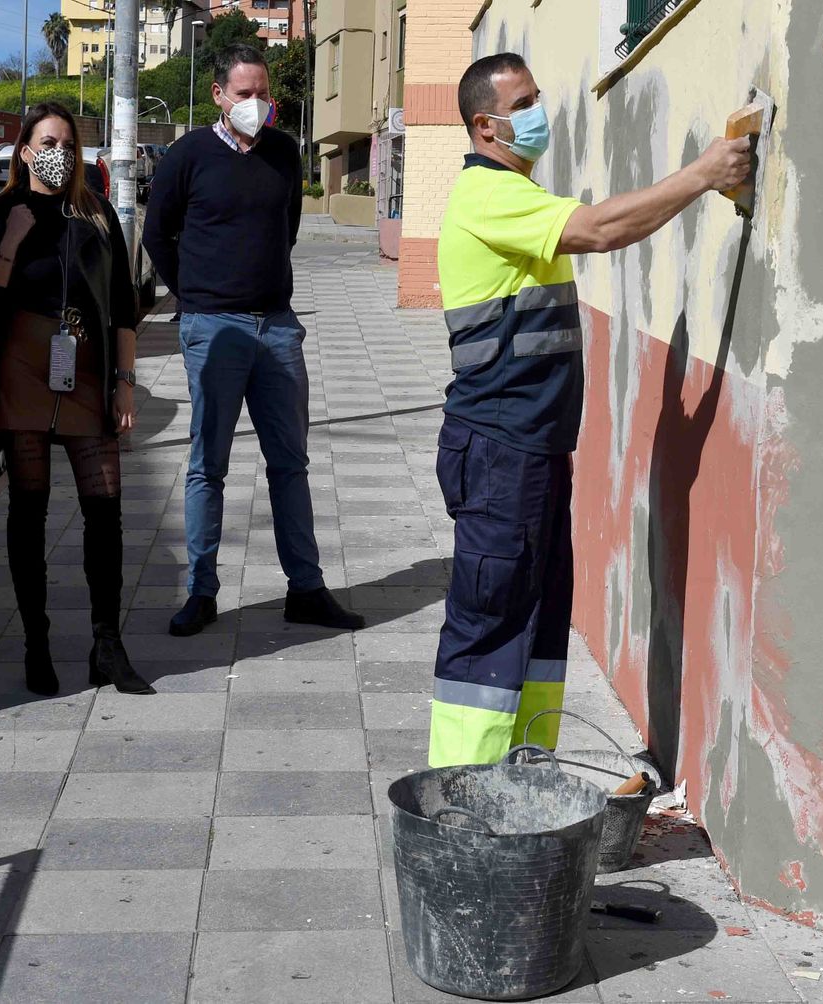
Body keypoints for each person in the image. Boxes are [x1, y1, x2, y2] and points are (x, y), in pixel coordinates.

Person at [427, 53, 752, 767]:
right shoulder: (488, 196)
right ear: (487, 125)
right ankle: (461, 804)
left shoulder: (515, 196)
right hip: (499, 451)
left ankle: (522, 785)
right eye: (527, 102)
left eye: (539, 96)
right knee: (489, 633)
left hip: (531, 451)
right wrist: (703, 174)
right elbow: (601, 229)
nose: (543, 112)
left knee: (538, 631)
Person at [143, 44, 365, 637]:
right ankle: (200, 591)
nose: (257, 104)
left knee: (290, 462)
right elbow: (156, 233)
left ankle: (307, 589)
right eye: (245, 94)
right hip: (212, 328)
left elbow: (286, 227)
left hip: (277, 326)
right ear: (218, 95)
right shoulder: (188, 155)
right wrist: (193, 294)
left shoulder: (284, 152)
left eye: (263, 93)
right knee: (206, 465)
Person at [0, 102, 155, 697]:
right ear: (24, 151)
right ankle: (36, 643)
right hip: (22, 366)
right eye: (47, 141)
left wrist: (125, 381)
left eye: (69, 142)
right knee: (30, 509)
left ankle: (107, 644)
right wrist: (13, 241)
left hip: (87, 370)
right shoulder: (0, 213)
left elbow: (123, 306)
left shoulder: (97, 215)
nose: (59, 151)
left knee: (105, 506)